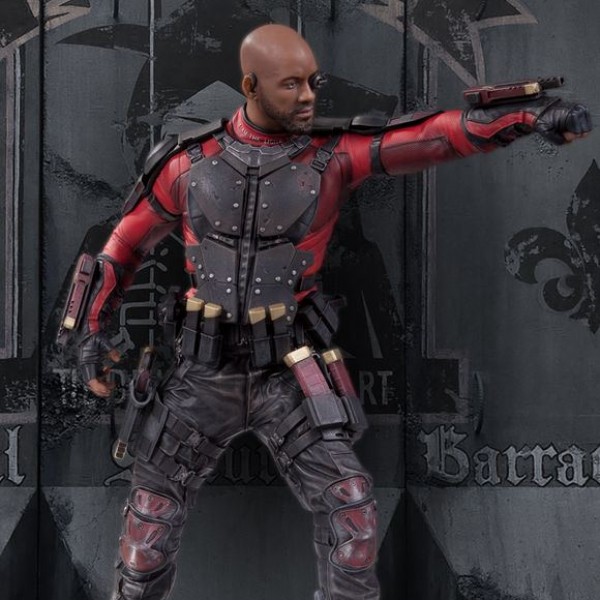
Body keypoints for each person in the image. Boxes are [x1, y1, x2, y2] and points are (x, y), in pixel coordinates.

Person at [62, 23, 591, 600]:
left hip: (289, 372)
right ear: (251, 86)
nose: (309, 96)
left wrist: (526, 117)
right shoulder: (187, 163)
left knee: (353, 520)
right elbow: (122, 244)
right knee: (146, 537)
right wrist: (91, 331)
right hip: (200, 375)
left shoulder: (332, 156)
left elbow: (432, 137)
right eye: (291, 84)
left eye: (312, 81)